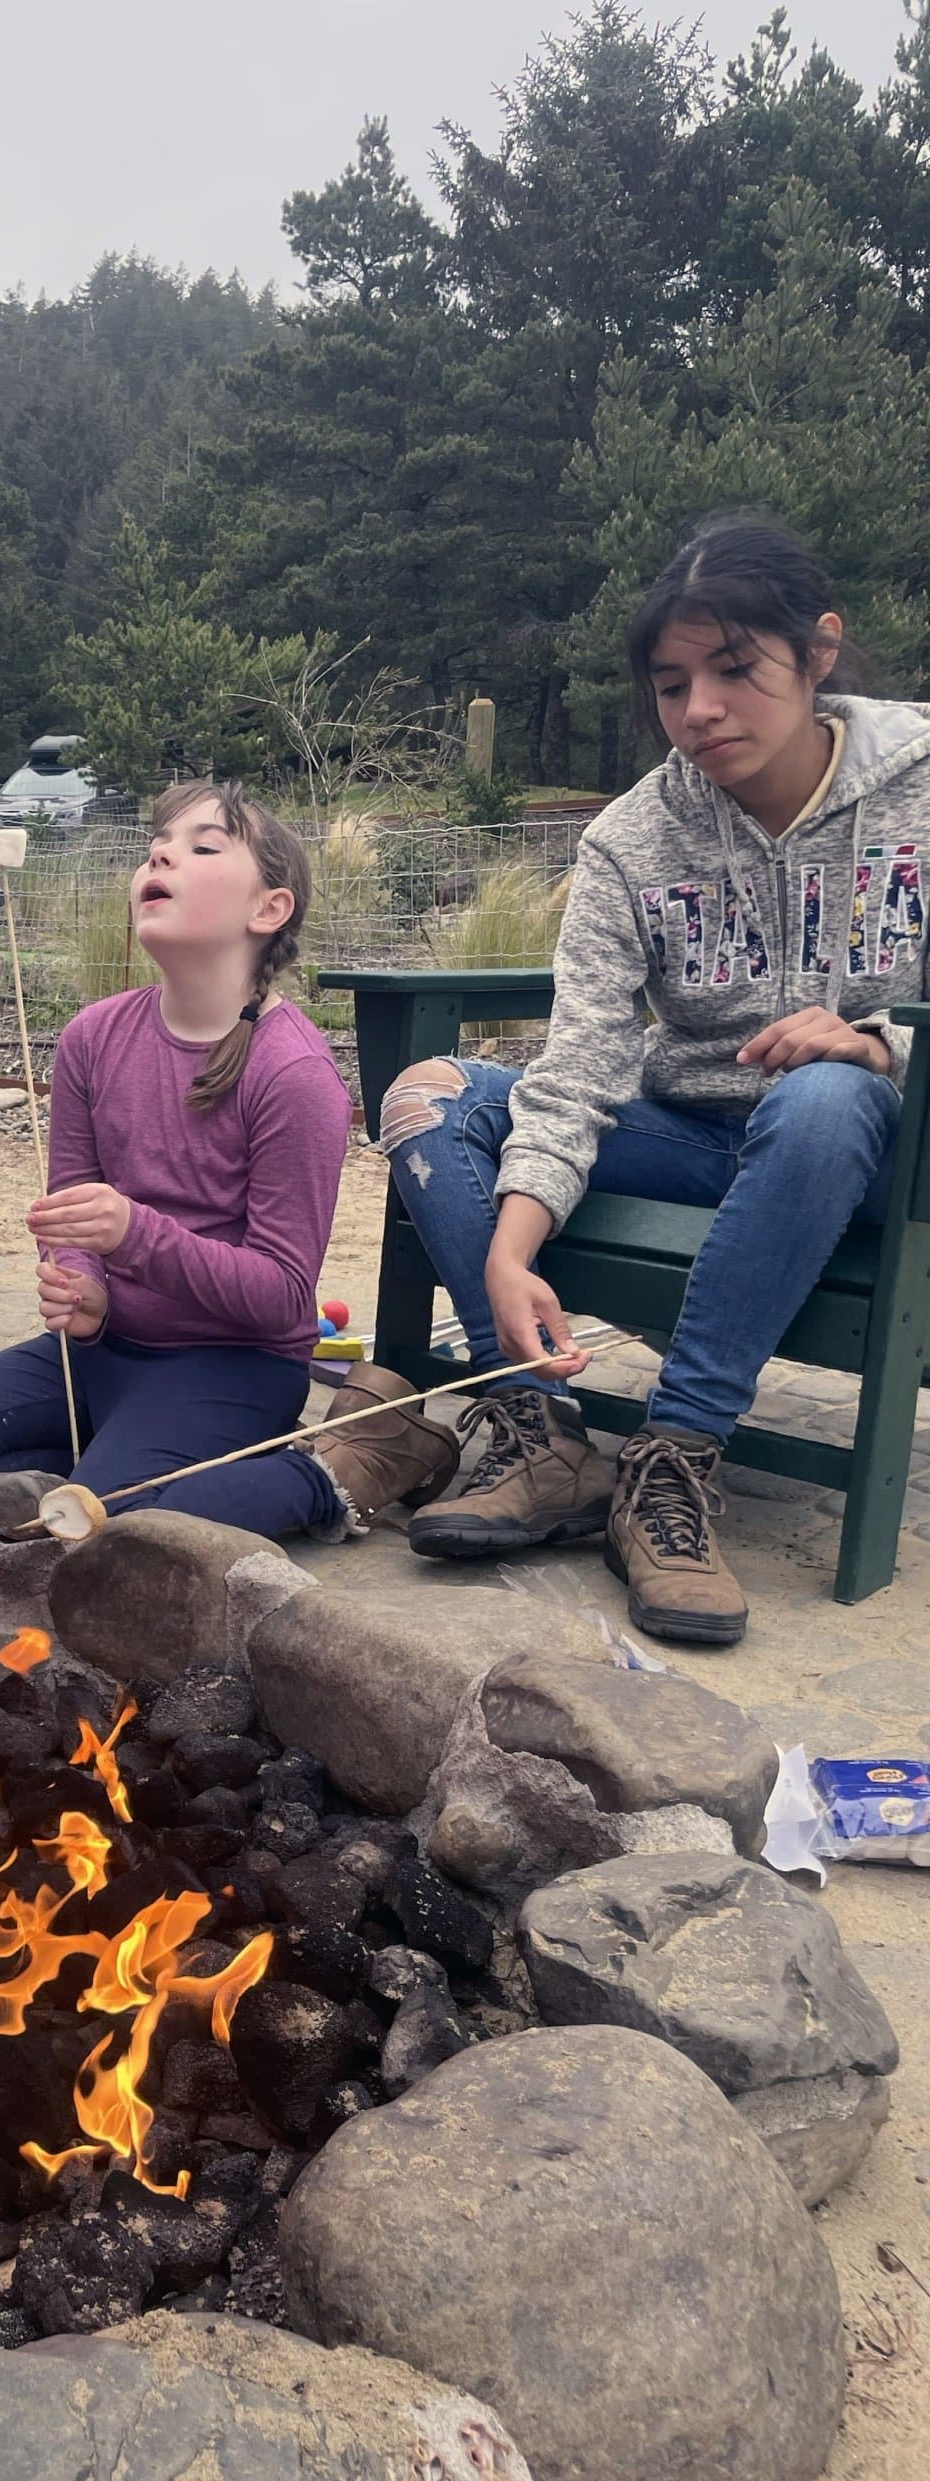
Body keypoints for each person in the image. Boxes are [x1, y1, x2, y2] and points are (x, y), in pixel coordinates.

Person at [321, 512, 930, 1646]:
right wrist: (509, 1247)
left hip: (872, 1154)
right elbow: (586, 1055)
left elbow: (870, 1067)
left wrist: (881, 1039)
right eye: (671, 683)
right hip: (692, 1136)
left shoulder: (923, 789)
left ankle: (675, 1453)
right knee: (429, 1092)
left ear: (821, 650)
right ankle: (538, 1425)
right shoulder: (629, 840)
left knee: (828, 1095)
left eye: (735, 669)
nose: (700, 709)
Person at [0, 779, 374, 1541]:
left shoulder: (294, 1075)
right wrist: (85, 1281)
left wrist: (135, 1236)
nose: (163, 855)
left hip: (231, 1366)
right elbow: (70, 1214)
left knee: (109, 1537)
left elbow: (282, 1296)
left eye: (203, 847)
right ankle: (97, 1468)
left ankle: (311, 1478)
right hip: (101, 1354)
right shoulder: (92, 1038)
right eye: (156, 848)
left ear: (267, 910)